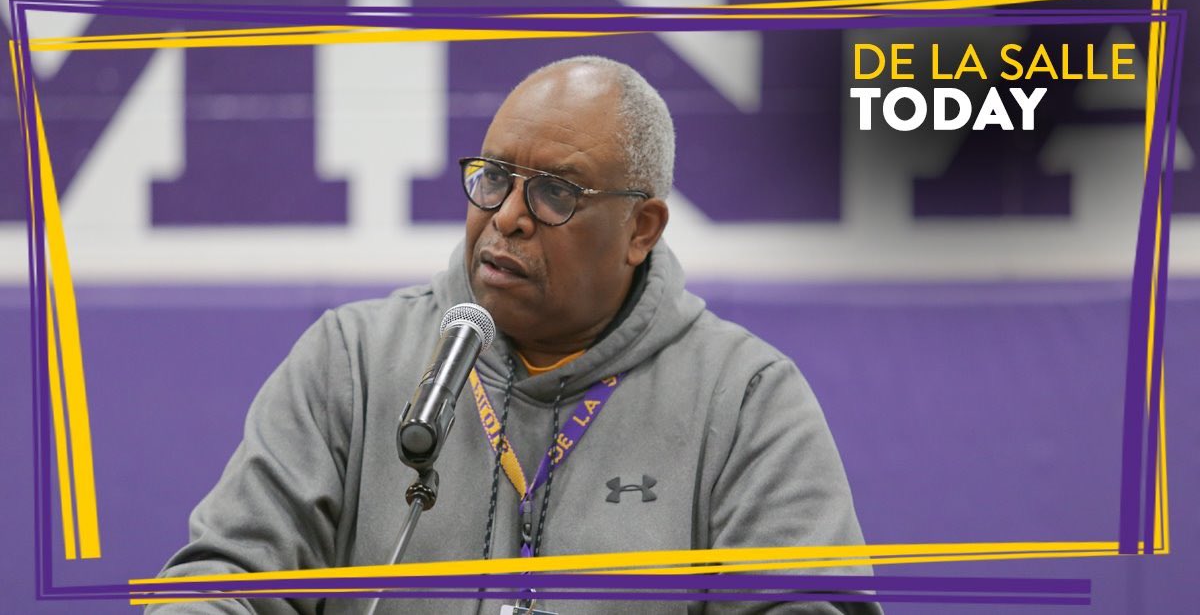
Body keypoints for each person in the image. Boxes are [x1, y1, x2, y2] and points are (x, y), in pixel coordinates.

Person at [152, 55, 880, 615]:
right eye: (494, 177)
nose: (506, 216)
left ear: (641, 229)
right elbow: (224, 578)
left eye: (556, 191)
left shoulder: (746, 398)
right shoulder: (354, 361)